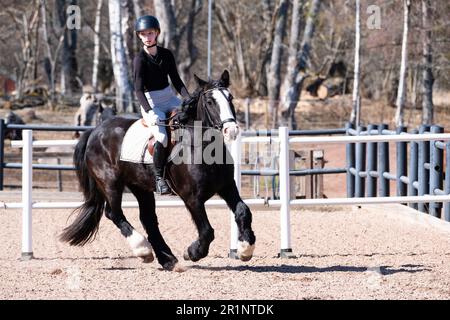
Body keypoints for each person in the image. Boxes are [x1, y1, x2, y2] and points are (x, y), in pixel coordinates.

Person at [133, 15, 190, 195]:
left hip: (168, 96)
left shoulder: (166, 54)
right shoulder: (139, 59)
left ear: (156, 33)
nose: (147, 37)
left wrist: (188, 99)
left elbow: (176, 80)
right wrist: (149, 112)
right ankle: (159, 178)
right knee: (162, 137)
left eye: (150, 33)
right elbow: (139, 90)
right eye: (143, 34)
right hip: (150, 100)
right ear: (139, 37)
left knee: (191, 120)